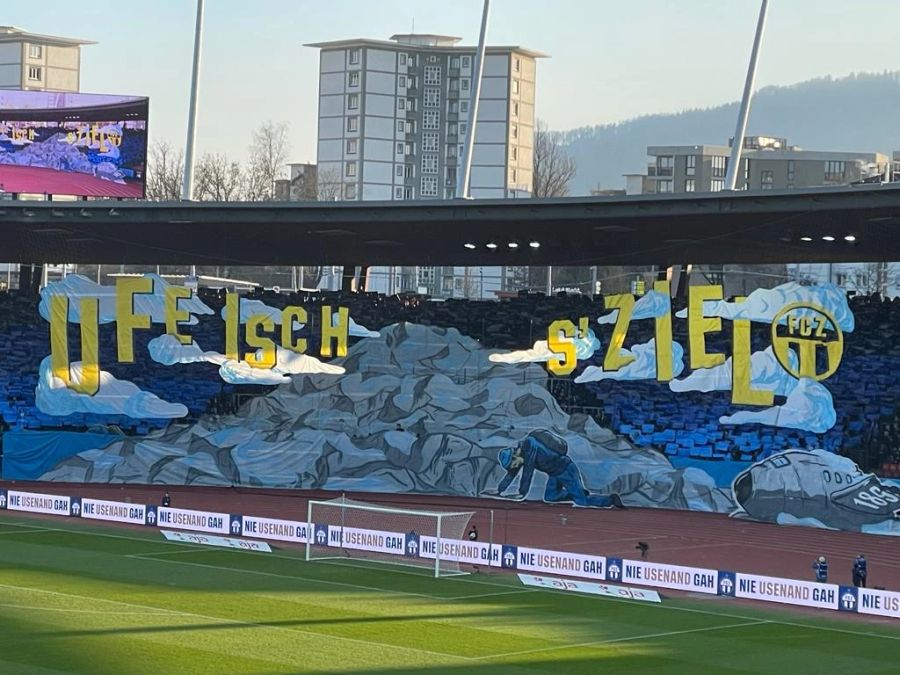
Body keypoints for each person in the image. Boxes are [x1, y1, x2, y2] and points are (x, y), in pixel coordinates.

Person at [489, 429, 625, 509]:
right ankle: (577, 492)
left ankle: (610, 500)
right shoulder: (519, 456)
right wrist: (499, 490)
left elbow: (528, 471)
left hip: (566, 469)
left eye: (513, 465)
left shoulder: (530, 445)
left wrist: (521, 493)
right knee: (550, 497)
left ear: (514, 455)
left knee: (582, 502)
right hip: (554, 474)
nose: (514, 468)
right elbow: (512, 473)